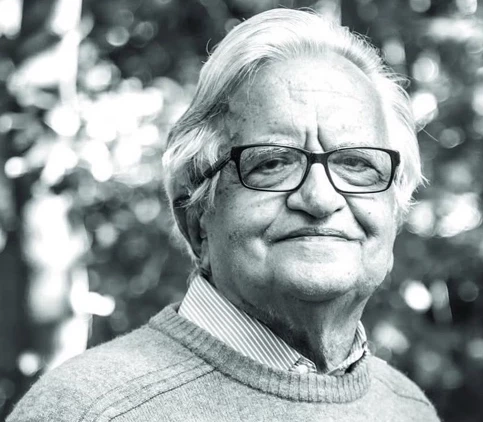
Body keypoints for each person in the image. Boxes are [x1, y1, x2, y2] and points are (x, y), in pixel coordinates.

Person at [9, 7, 440, 422]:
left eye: (357, 164)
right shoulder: (86, 410)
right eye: (272, 162)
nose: (320, 198)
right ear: (196, 216)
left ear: (395, 211)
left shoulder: (407, 407)